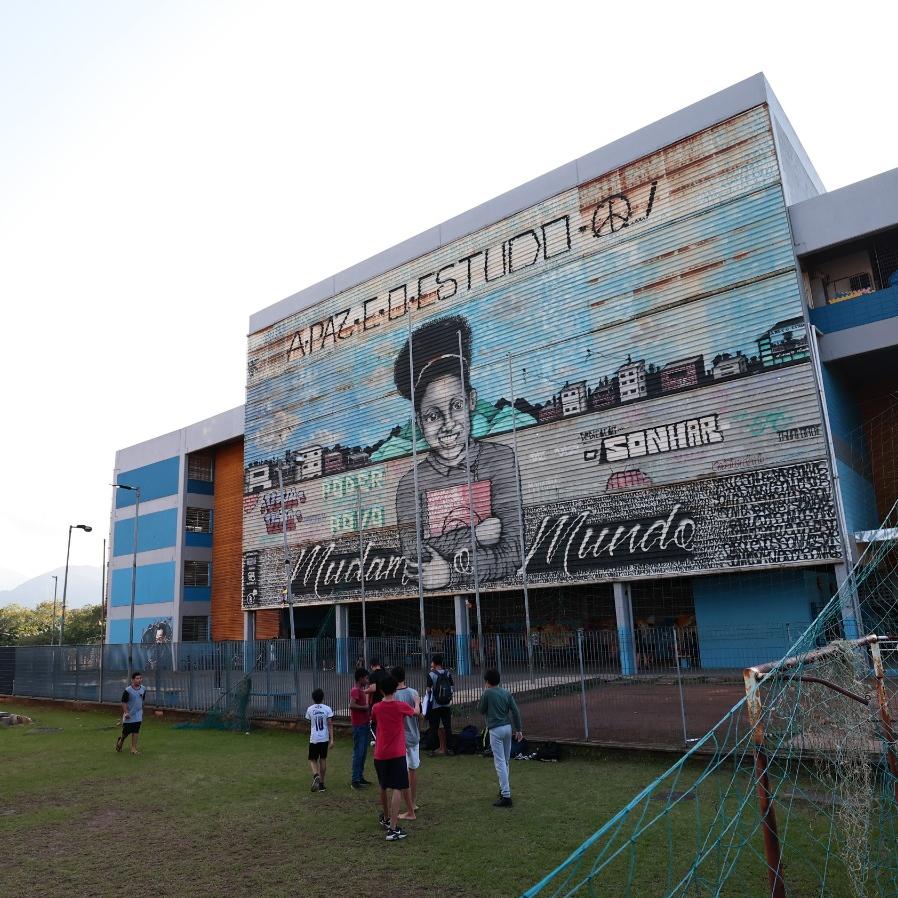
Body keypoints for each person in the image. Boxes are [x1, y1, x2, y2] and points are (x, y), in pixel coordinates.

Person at [393, 314, 521, 592]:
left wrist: (451, 573)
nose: (448, 424)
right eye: (432, 415)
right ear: (419, 422)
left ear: (471, 400)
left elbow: (513, 550)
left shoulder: (500, 460)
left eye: (456, 406)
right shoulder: (409, 485)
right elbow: (415, 555)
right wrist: (475, 535)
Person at [371, 674, 418, 841]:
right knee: (398, 787)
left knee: (383, 786)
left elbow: (374, 720)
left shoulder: (376, 707)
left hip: (380, 753)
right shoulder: (400, 706)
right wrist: (417, 702)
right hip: (397, 753)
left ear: (381, 690)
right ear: (395, 689)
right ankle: (393, 829)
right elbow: (415, 713)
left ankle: (386, 818)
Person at [477, 668, 523, 807]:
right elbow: (515, 711)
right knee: (505, 760)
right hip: (507, 728)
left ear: (487, 681)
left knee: (500, 762)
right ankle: (504, 788)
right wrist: (519, 729)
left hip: (495, 729)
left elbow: (480, 709)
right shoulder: (506, 692)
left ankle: (506, 794)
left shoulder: (487, 693)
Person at [392, 666, 421, 820]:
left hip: (400, 738)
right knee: (413, 769)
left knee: (402, 773)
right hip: (414, 736)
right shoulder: (414, 693)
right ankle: (413, 802)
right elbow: (419, 714)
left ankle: (409, 807)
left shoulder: (393, 696)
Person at [305, 687, 334, 792]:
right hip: (324, 738)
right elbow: (330, 724)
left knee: (313, 759)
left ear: (313, 698)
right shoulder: (327, 709)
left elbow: (309, 722)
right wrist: (332, 739)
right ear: (323, 697)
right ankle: (321, 784)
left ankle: (316, 775)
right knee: (323, 759)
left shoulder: (310, 709)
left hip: (314, 738)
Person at [349, 668, 373, 789]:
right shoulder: (355, 690)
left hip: (364, 724)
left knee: (363, 752)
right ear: (360, 678)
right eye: (366, 678)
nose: (367, 681)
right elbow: (351, 705)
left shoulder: (361, 691)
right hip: (359, 726)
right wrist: (364, 707)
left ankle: (360, 776)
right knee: (358, 752)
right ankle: (355, 780)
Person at [426, 653, 453, 755]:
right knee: (448, 727)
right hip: (446, 704)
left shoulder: (431, 674)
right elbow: (451, 687)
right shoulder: (447, 673)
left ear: (433, 662)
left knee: (434, 727)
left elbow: (428, 690)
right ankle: (450, 749)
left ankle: (433, 749)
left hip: (435, 705)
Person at [116, 671, 147, 755]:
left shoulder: (143, 688)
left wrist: (141, 710)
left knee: (136, 730)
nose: (139, 680)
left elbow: (142, 700)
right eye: (137, 678)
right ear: (132, 680)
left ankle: (133, 749)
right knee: (126, 732)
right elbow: (123, 702)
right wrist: (126, 713)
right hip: (129, 714)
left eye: (140, 678)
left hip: (138, 713)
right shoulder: (128, 690)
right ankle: (121, 741)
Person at [366, 657, 387, 740]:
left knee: (374, 723)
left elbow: (373, 689)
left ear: (372, 666)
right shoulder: (386, 674)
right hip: (386, 700)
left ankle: (376, 739)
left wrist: (363, 691)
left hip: (376, 702)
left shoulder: (373, 675)